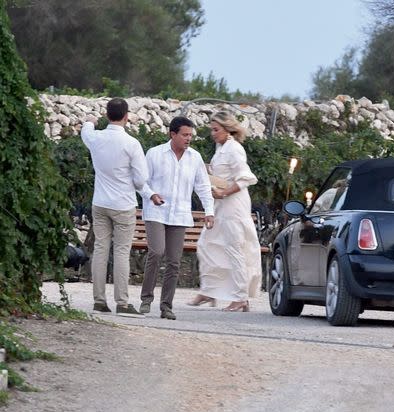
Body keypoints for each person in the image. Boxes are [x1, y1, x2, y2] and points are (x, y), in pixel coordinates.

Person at [138, 116, 215, 320]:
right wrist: (151, 195)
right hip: (156, 212)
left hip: (180, 215)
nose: (188, 138)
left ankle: (166, 306)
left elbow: (203, 186)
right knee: (156, 251)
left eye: (190, 135)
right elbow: (140, 181)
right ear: (173, 134)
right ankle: (146, 299)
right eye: (184, 135)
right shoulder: (154, 154)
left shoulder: (195, 158)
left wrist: (209, 211)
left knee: (174, 261)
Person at [81, 98, 148, 317]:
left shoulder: (96, 138)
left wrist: (90, 120)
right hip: (123, 204)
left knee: (101, 249)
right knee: (121, 252)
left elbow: (86, 131)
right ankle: (122, 302)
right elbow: (141, 180)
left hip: (99, 202)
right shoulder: (131, 144)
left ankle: (99, 300)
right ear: (126, 116)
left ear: (107, 115)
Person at [190, 111, 262, 312]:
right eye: (211, 130)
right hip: (221, 206)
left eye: (216, 129)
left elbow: (245, 178)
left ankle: (240, 297)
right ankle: (209, 291)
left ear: (227, 129)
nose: (213, 134)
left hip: (233, 206)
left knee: (234, 248)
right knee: (206, 244)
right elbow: (222, 173)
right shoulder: (221, 148)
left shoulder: (234, 149)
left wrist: (223, 193)